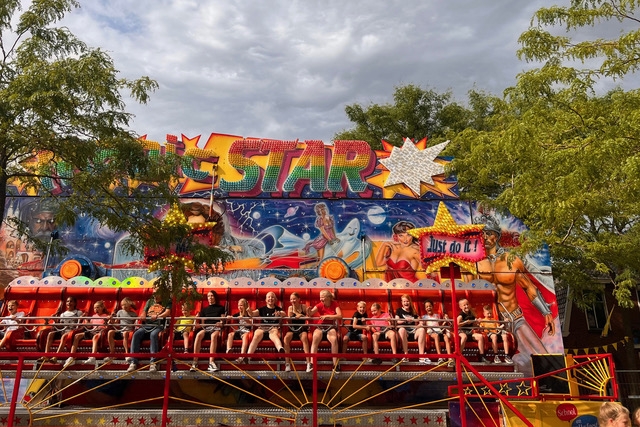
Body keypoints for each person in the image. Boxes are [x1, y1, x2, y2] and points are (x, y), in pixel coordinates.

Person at [475, 213, 555, 370]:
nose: (484, 237)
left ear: (496, 236)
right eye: (481, 233)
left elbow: (528, 287)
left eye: (488, 233)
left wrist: (546, 313)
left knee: (544, 360)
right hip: (489, 322)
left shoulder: (510, 259)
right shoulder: (473, 263)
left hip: (514, 317)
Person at [127, 286, 171, 372]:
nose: (155, 296)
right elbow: (144, 311)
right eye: (154, 294)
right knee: (136, 334)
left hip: (159, 325)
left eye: (157, 294)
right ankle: (133, 361)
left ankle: (153, 362)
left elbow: (167, 312)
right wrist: (143, 315)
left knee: (154, 335)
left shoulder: (167, 301)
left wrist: (158, 316)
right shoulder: (149, 301)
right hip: (147, 324)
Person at [41, 296, 84, 364]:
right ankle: (46, 355)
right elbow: (61, 326)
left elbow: (79, 325)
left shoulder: (78, 313)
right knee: (50, 334)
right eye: (67, 301)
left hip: (72, 332)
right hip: (63, 331)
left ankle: (56, 356)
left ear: (75, 303)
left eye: (71, 301)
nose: (69, 303)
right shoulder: (63, 314)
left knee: (64, 336)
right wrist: (55, 321)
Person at [191, 290, 226, 372]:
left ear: (215, 297)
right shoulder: (204, 310)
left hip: (215, 328)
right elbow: (203, 323)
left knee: (213, 336)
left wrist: (220, 323)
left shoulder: (221, 308)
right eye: (208, 296)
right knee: (198, 335)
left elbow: (222, 320)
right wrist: (199, 325)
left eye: (212, 296)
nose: (210, 297)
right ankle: (195, 361)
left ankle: (211, 362)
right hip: (206, 328)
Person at [308, 290, 342, 372]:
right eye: (320, 297)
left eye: (322, 297)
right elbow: (311, 313)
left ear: (328, 298)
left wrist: (328, 316)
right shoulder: (320, 305)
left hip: (330, 326)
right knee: (315, 337)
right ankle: (312, 363)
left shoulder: (334, 304)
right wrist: (308, 311)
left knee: (334, 339)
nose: (321, 299)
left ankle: (335, 364)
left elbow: (340, 315)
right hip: (321, 326)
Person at [247, 291, 286, 363]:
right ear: (266, 300)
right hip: (263, 327)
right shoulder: (262, 309)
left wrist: (279, 313)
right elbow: (252, 314)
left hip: (273, 328)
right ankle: (248, 356)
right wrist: (249, 310)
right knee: (256, 335)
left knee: (274, 335)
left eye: (272, 297)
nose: (270, 298)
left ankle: (280, 349)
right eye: (269, 297)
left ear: (275, 299)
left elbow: (284, 314)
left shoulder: (278, 309)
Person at [69, 300, 109, 367]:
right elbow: (89, 326)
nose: (96, 309)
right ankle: (71, 356)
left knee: (95, 337)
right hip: (92, 331)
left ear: (102, 308)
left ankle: (93, 357)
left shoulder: (106, 316)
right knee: (77, 336)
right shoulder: (93, 316)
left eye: (98, 307)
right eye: (95, 308)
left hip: (100, 333)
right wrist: (85, 319)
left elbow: (107, 326)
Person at [283, 292, 311, 372]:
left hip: (302, 328)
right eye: (291, 299)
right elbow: (289, 322)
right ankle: (287, 363)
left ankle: (308, 363)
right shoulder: (290, 308)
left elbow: (308, 318)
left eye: (294, 299)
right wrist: (289, 317)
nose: (292, 301)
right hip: (293, 328)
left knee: (304, 338)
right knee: (286, 338)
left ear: (299, 299)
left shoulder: (303, 306)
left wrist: (301, 315)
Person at [395, 294, 426, 363]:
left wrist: (420, 323)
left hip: (413, 330)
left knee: (422, 329)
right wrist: (405, 320)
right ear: (402, 303)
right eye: (404, 301)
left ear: (410, 302)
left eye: (407, 301)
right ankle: (406, 355)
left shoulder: (413, 311)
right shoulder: (399, 310)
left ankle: (421, 356)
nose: (406, 303)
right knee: (401, 329)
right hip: (404, 331)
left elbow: (419, 320)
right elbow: (397, 321)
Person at [421, 299, 453, 366]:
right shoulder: (424, 317)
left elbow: (440, 326)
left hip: (439, 330)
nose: (428, 308)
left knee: (446, 337)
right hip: (431, 332)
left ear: (432, 307)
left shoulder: (437, 316)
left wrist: (445, 320)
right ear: (425, 308)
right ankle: (440, 356)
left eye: (430, 306)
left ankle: (449, 357)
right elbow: (423, 325)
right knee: (436, 336)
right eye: (427, 307)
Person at [457, 299, 489, 364]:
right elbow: (457, 324)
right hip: (461, 331)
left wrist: (477, 322)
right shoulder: (461, 315)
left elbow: (474, 325)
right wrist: (465, 322)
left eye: (467, 304)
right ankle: (458, 355)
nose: (466, 306)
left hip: (470, 332)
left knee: (480, 337)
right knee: (464, 337)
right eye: (464, 305)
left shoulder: (472, 314)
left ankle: (481, 356)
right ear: (461, 307)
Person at [225, 298, 252, 363]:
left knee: (245, 336)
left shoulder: (249, 314)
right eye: (239, 305)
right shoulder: (237, 314)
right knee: (230, 334)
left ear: (245, 306)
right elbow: (231, 317)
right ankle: (228, 350)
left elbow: (251, 322)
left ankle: (242, 356)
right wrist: (229, 318)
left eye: (241, 305)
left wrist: (245, 319)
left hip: (247, 332)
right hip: (240, 331)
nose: (240, 307)